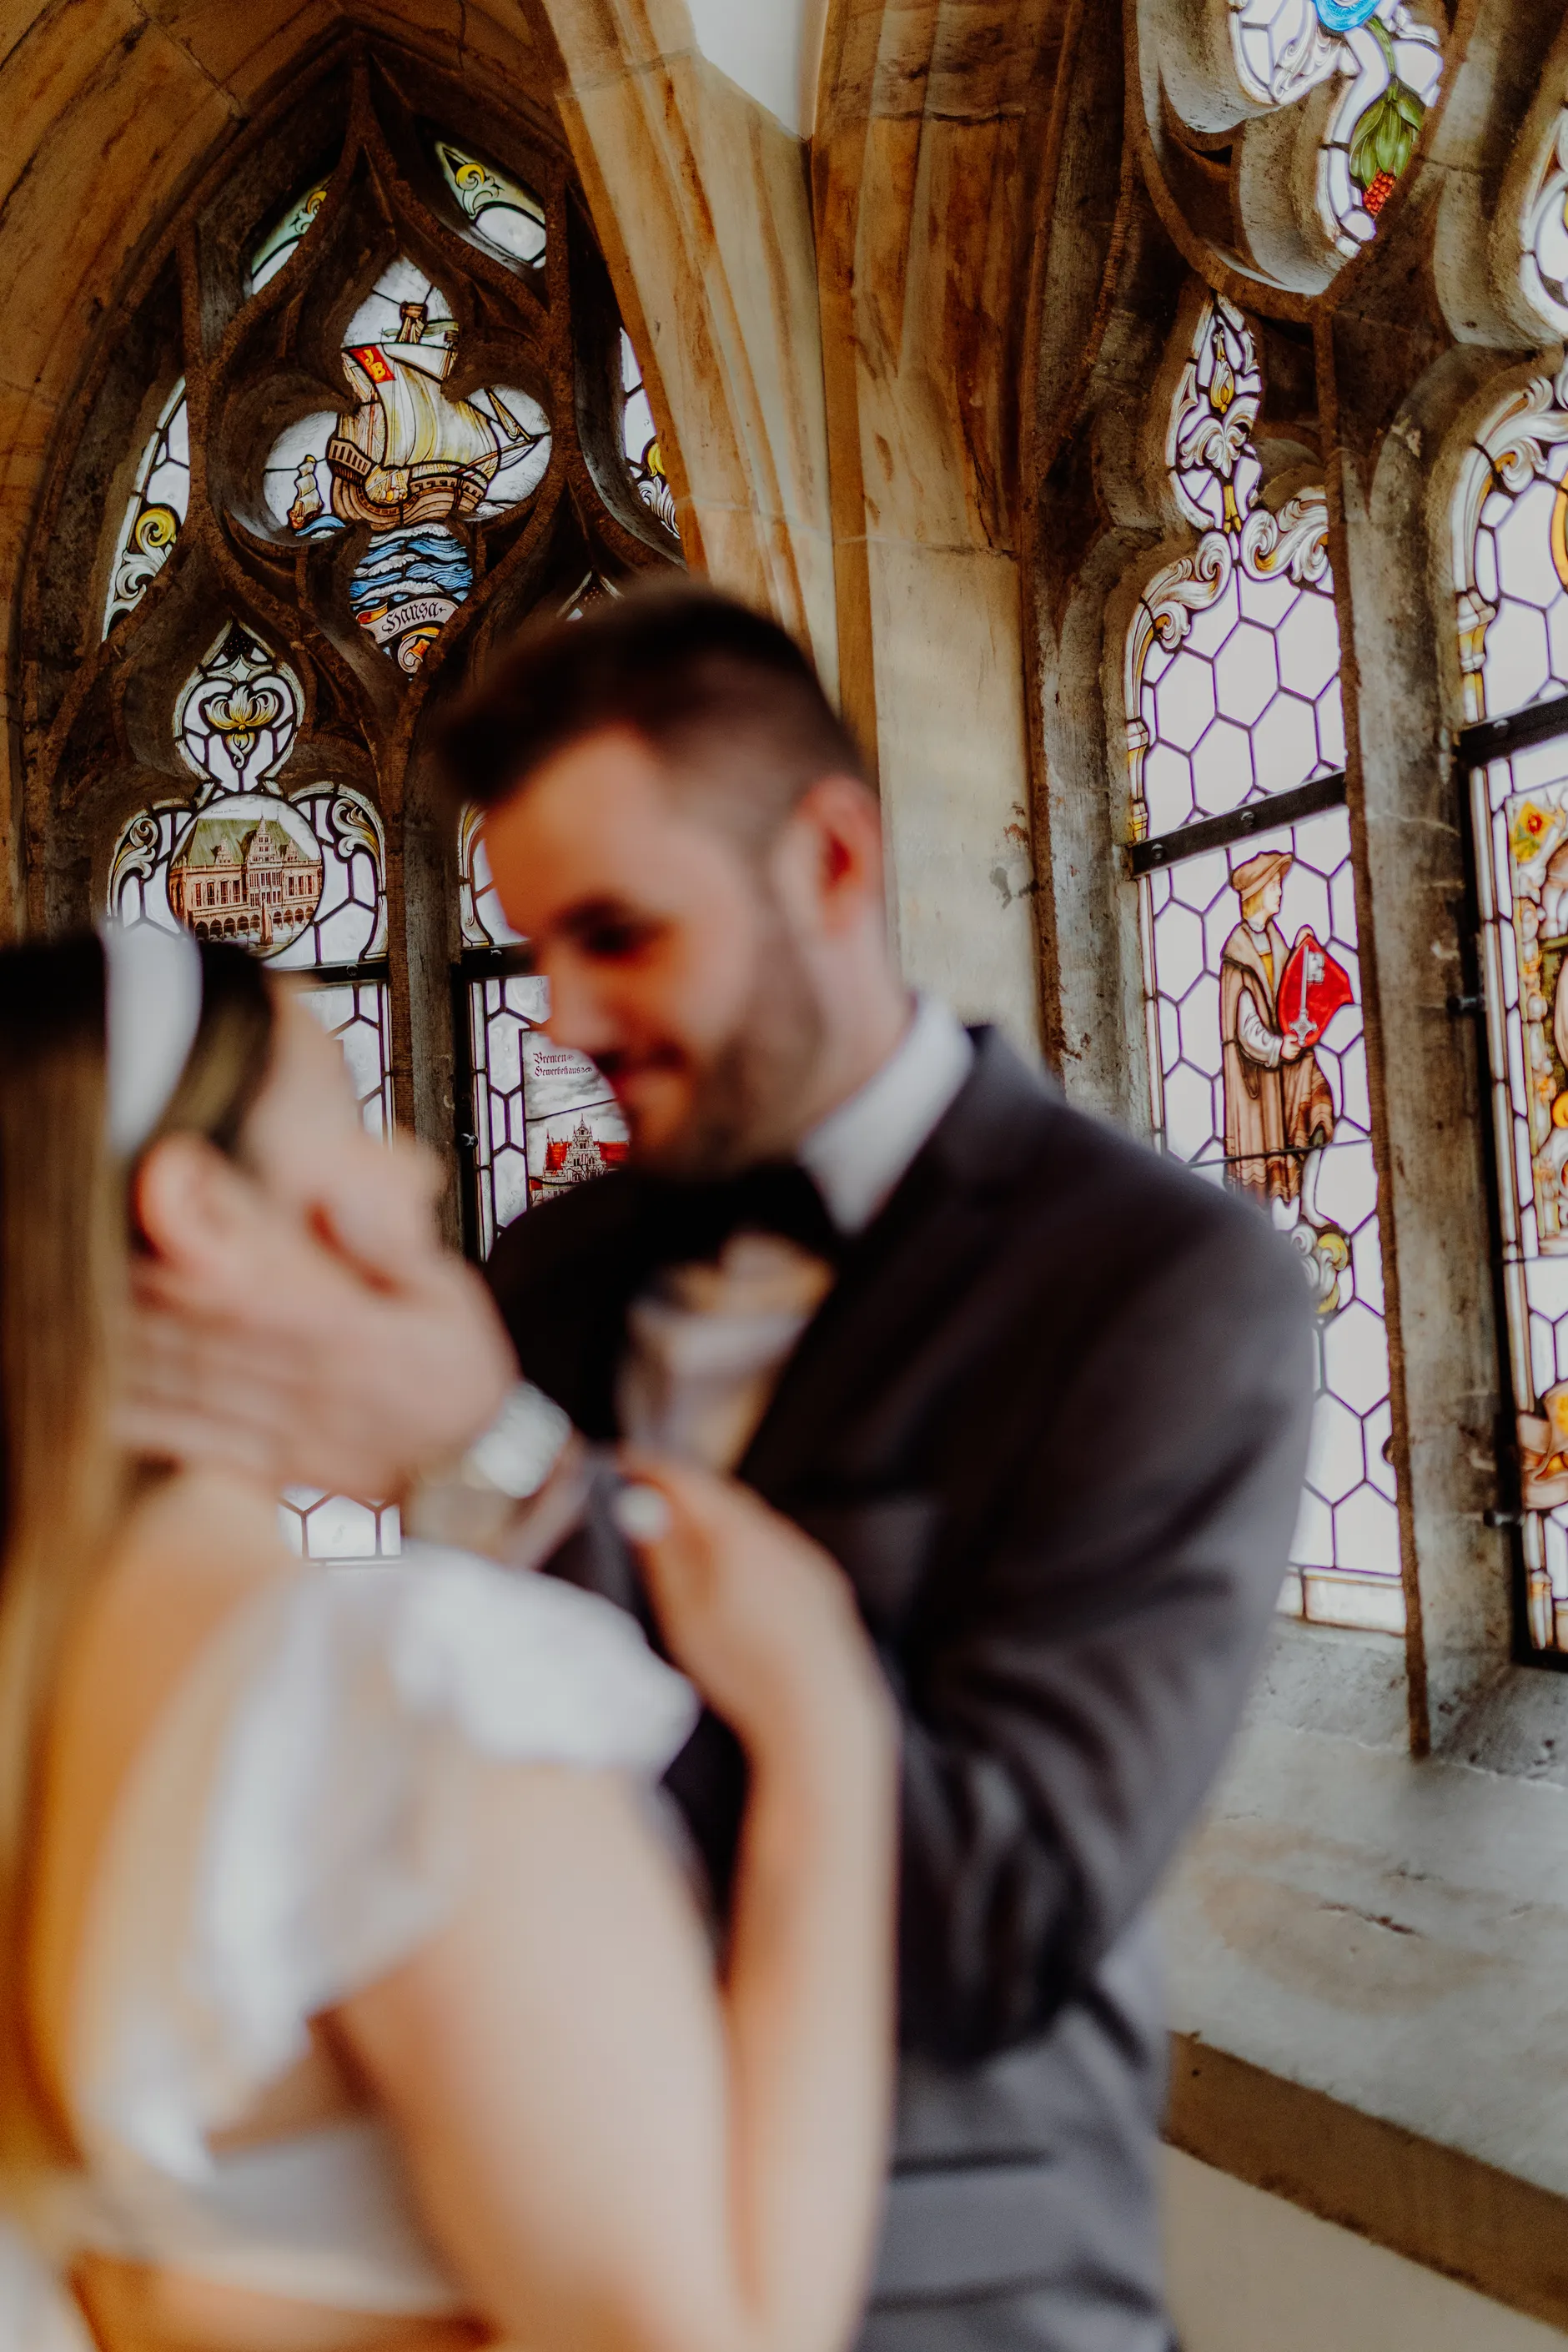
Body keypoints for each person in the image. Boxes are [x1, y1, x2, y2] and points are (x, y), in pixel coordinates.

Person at [125, 583, 1316, 2352]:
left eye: (620, 934)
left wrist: (509, 1483)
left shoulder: (1160, 1285)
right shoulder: (545, 1273)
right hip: (532, 2253)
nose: (568, 1014)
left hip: (946, 2297)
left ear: (830, 863)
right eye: (539, 949)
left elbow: (1001, 1918)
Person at [2, 923, 897, 2352]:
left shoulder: (45, 1692)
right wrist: (830, 1751)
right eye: (353, 1114)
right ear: (201, 1213)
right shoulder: (399, 1686)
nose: (418, 1167)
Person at [1219, 847, 1335, 1207]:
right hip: (1255, 1082)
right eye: (1274, 885)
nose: (1280, 891)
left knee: (1319, 1102)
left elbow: (1290, 991)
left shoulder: (1274, 939)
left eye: (1280, 884)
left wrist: (1302, 948)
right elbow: (1245, 1029)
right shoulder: (1237, 955)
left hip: (1284, 1064)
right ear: (1256, 893)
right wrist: (1275, 1049)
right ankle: (1267, 1229)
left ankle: (1308, 1206)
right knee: (1259, 1174)